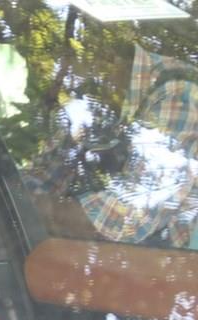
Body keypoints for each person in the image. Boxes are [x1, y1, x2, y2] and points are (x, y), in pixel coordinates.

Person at [26, 44, 198, 249]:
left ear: (103, 56)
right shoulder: (99, 94)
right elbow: (48, 172)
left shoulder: (178, 93)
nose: (62, 79)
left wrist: (35, 209)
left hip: (146, 261)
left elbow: (126, 218)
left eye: (65, 66)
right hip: (76, 250)